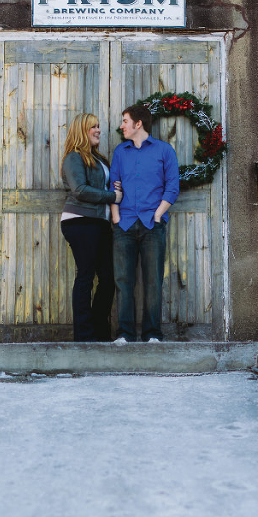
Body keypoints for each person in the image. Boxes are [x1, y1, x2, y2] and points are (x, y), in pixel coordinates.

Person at [109, 103, 180, 343]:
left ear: (138, 124)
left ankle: (152, 334)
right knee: (123, 281)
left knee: (153, 281)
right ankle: (125, 334)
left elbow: (172, 187)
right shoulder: (120, 152)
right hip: (124, 225)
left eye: (125, 121)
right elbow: (113, 186)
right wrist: (116, 217)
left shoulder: (164, 151)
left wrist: (158, 215)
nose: (122, 126)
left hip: (153, 225)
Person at [60, 114, 123, 342]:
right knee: (86, 275)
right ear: (81, 131)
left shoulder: (99, 160)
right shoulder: (73, 158)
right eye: (93, 127)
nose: (98, 130)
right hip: (80, 221)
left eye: (98, 126)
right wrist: (112, 195)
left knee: (107, 278)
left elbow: (105, 187)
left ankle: (99, 332)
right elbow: (80, 190)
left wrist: (115, 187)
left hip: (100, 223)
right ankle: (84, 337)